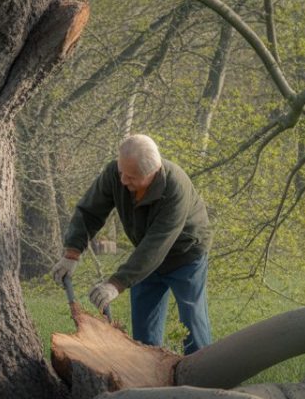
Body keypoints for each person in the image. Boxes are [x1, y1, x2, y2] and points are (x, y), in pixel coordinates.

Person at [51, 134, 213, 355]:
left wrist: (116, 283)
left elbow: (156, 244)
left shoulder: (175, 188)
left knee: (192, 322)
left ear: (152, 173)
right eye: (122, 173)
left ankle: (203, 380)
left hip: (185, 256)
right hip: (145, 257)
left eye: (132, 177)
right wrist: (72, 252)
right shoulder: (115, 174)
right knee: (144, 329)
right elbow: (90, 211)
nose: (124, 181)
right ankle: (149, 379)